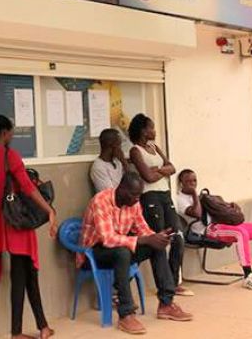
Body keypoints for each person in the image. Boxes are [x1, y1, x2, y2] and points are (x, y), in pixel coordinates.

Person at [0, 115, 57, 339]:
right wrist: (49, 210)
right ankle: (18, 332)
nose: (12, 135)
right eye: (11, 132)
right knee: (24, 278)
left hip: (0, 225)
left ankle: (42, 327)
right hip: (17, 225)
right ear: (4, 133)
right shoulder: (9, 156)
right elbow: (28, 187)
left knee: (26, 276)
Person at [79, 172, 193, 334]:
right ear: (122, 189)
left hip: (120, 248)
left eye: (139, 195)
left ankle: (166, 303)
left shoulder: (134, 203)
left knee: (156, 246)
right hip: (93, 253)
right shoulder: (101, 201)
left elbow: (142, 229)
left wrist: (156, 237)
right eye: (134, 194)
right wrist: (143, 240)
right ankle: (126, 314)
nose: (137, 199)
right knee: (122, 253)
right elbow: (107, 239)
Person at [176, 169, 252, 291]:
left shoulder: (201, 196)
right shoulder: (180, 200)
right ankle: (248, 276)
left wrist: (228, 207)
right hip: (208, 230)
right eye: (188, 181)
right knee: (240, 233)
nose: (192, 184)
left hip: (221, 224)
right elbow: (197, 213)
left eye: (194, 180)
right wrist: (194, 194)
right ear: (181, 183)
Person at [128, 113, 192, 297]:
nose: (154, 131)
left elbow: (172, 167)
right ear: (143, 130)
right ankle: (164, 287)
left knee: (178, 237)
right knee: (159, 240)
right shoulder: (135, 151)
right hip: (150, 198)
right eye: (151, 127)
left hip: (165, 195)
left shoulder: (154, 147)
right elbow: (147, 177)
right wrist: (163, 171)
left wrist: (159, 170)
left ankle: (173, 281)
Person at [90, 128, 127, 193]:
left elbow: (130, 182)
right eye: (119, 144)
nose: (120, 148)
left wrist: (124, 162)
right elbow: (110, 193)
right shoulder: (98, 167)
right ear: (112, 145)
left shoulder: (117, 161)